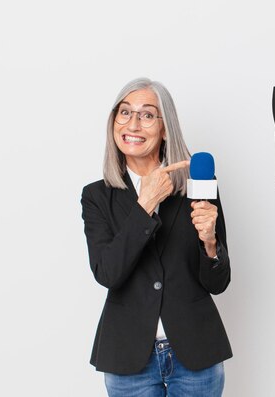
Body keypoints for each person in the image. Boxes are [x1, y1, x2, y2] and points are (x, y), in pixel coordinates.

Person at [81, 77, 232, 397]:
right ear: (114, 123)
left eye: (147, 114)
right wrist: (145, 204)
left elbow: (218, 283)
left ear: (165, 129)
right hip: (128, 357)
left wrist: (209, 243)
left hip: (196, 352)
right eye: (125, 112)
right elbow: (108, 273)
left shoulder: (198, 184)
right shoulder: (96, 196)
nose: (133, 123)